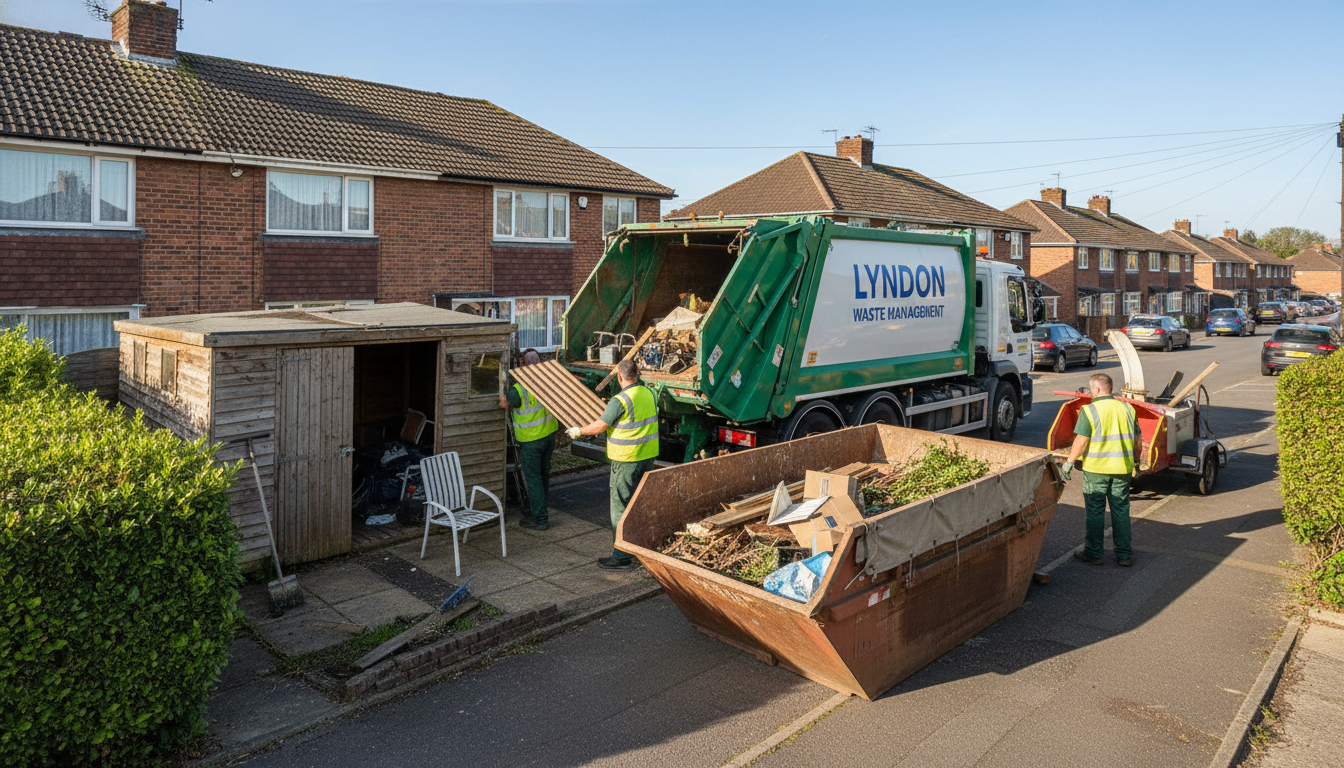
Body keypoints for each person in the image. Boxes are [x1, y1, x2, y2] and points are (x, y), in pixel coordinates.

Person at [567, 359, 658, 570]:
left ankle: (622, 557)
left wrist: (578, 431)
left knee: (620, 509)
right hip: (647, 457)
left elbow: (599, 426)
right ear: (637, 375)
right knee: (637, 505)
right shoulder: (649, 394)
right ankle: (640, 549)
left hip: (626, 460)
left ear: (619, 377)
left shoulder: (621, 400)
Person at [1062, 372, 1142, 567]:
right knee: (1121, 510)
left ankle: (1094, 553)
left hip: (1096, 469)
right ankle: (1124, 555)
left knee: (1096, 511)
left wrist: (1069, 462)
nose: (1090, 392)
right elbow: (1138, 441)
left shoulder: (1089, 410)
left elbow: (1081, 441)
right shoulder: (1128, 408)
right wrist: (1137, 463)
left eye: (1091, 389)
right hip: (1122, 468)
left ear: (1097, 389)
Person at [499, 349, 557, 531]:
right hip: (549, 436)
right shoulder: (550, 381)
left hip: (532, 441)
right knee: (543, 476)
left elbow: (504, 404)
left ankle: (540, 519)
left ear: (523, 364)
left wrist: (501, 385)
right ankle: (537, 508)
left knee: (533, 480)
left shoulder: (518, 389)